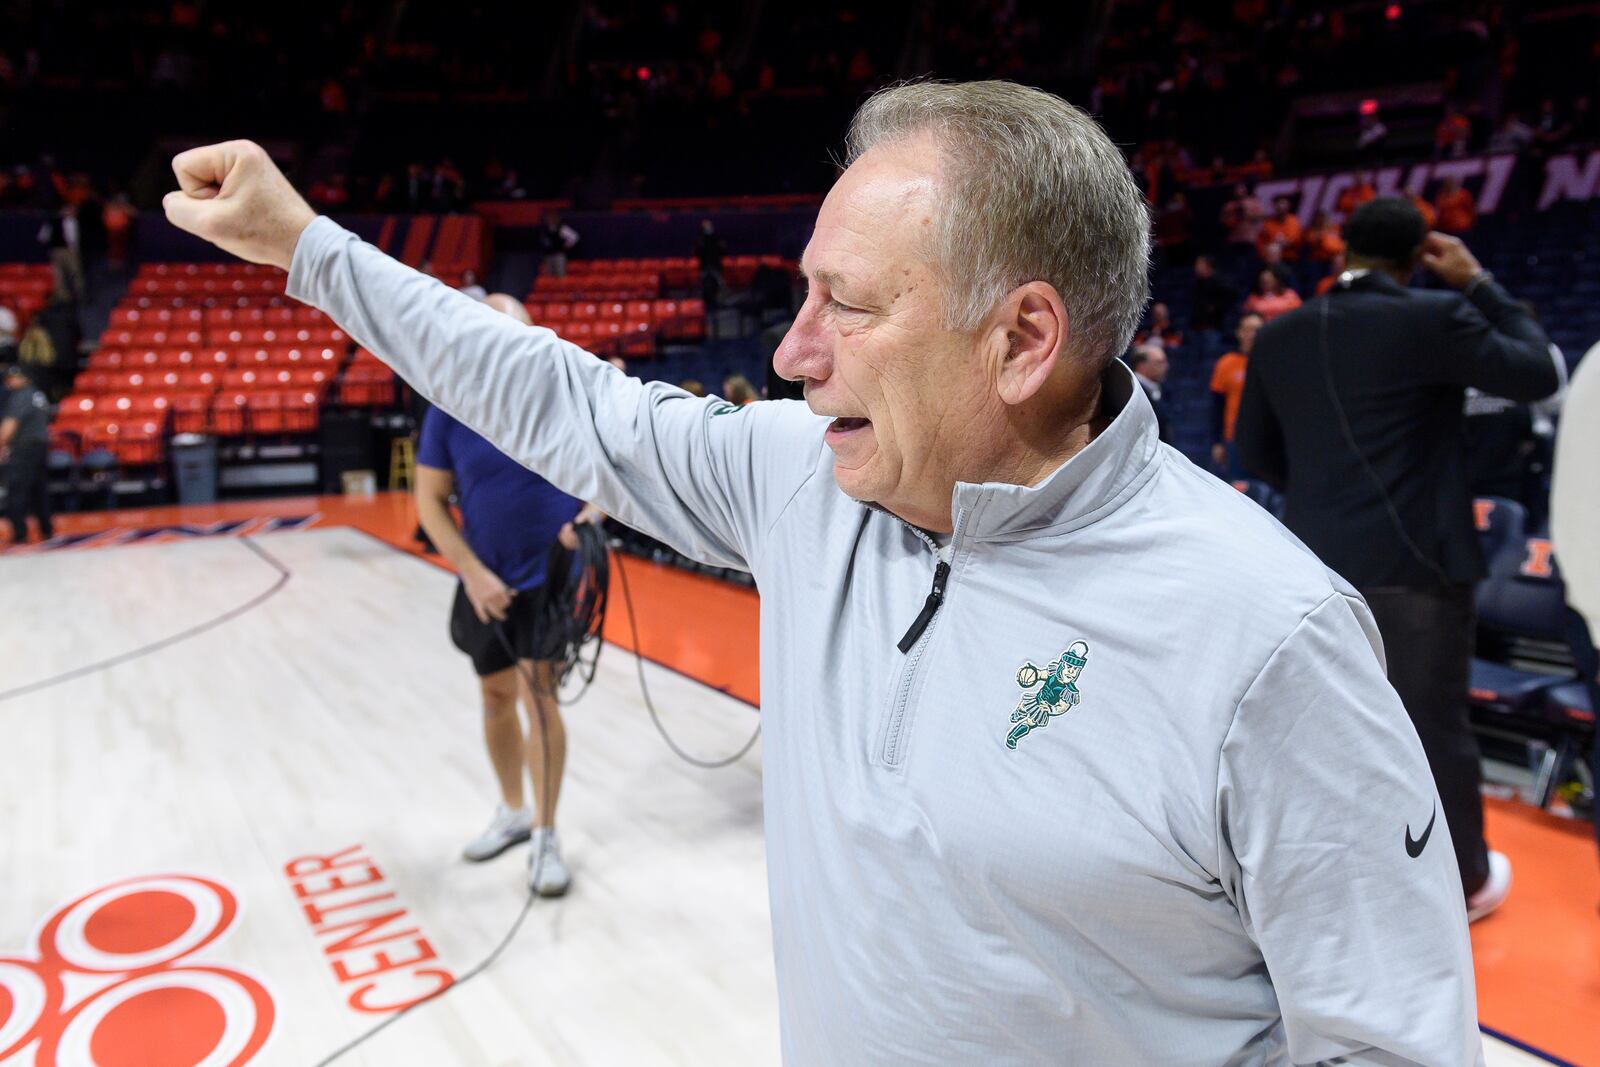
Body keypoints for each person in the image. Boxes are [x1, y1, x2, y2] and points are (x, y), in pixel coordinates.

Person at [165, 82, 1485, 1064]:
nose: (795, 352)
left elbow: (1386, 1039)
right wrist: (306, 249)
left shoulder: (1268, 634)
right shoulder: (798, 477)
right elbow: (557, 395)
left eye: (846, 303)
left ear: (1022, 336)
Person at [1234, 197, 1564, 921]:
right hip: (1419, 564)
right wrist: (1476, 281)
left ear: (1339, 248)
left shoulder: (1279, 335)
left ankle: (1328, 884)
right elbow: (1538, 371)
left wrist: (1329, 498)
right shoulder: (1433, 316)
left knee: (1318, 732)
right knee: (1432, 727)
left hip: (1311, 564)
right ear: (1419, 257)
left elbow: (1254, 454)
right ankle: (1465, 881)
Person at [413, 293, 604, 896]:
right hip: (483, 580)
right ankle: (514, 811)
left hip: (548, 575)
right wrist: (470, 571)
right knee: (495, 696)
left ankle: (546, 833)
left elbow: (613, 472)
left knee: (539, 695)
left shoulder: (561, 395)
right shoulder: (448, 407)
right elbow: (429, 502)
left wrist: (591, 518)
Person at [1, 364, 54, 544]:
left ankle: (19, 533)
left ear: (24, 378)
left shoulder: (21, 395)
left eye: (12, 378)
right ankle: (47, 530)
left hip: (24, 448)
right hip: (40, 447)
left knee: (16, 491)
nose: (9, 381)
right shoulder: (37, 394)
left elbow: (10, 425)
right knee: (39, 491)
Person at [1209, 312, 1261, 480]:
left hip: (1266, 441)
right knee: (1239, 492)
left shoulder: (1275, 362)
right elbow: (1217, 407)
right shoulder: (1226, 363)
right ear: (1239, 332)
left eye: (1256, 330)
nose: (1252, 335)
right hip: (1235, 441)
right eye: (1247, 329)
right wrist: (1217, 442)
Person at [1128, 344, 1172, 444]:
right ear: (1141, 366)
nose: (1166, 366)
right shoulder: (1130, 390)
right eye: (1159, 362)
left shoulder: (1164, 390)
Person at [1188, 254, 1238, 333]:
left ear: (1207, 265)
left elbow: (1232, 295)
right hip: (1197, 326)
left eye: (1199, 263)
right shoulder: (1198, 282)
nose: (1196, 266)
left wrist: (1215, 306)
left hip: (1213, 326)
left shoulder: (1220, 281)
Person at [1255, 196, 1302, 262]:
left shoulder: (1293, 221)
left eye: (1284, 207)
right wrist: (1265, 253)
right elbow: (1261, 242)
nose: (1281, 209)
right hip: (1270, 259)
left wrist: (1285, 243)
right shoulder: (1268, 223)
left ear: (1288, 208)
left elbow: (1295, 240)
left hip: (1288, 258)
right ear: (1275, 208)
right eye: (1279, 207)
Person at [538, 211, 579, 278]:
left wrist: (567, 245)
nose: (549, 220)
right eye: (548, 219)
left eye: (551, 219)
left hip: (559, 255)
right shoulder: (546, 229)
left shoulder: (562, 228)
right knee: (549, 276)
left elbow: (574, 237)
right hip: (548, 255)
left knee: (560, 274)